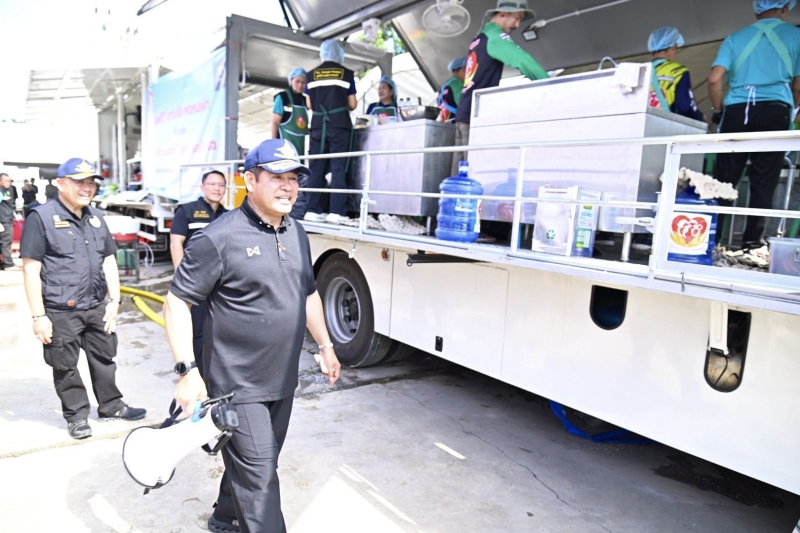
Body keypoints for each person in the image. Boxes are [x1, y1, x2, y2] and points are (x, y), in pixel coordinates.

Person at [164, 138, 341, 533]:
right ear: (250, 179)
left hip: (281, 379)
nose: (288, 187)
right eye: (277, 177)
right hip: (236, 383)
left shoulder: (297, 232)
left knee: (261, 461)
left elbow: (308, 293)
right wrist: (187, 372)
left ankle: (225, 517)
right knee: (260, 480)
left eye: (293, 178)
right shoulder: (218, 237)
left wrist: (326, 346)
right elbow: (175, 303)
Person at [19, 158, 145, 440]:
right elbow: (31, 269)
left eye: (91, 183)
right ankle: (76, 415)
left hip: (96, 305)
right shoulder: (41, 218)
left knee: (105, 358)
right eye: (79, 182)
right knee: (65, 365)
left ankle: (111, 405)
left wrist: (114, 301)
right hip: (60, 309)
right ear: (61, 183)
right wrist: (39, 317)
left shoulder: (96, 217)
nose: (87, 188)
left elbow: (108, 260)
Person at [709, 0, 800, 250]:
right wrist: (792, 108)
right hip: (775, 111)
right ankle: (751, 243)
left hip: (737, 112)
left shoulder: (734, 38)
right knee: (764, 180)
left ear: (756, 9)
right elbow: (799, 85)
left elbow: (715, 80)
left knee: (724, 180)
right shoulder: (796, 36)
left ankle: (711, 239)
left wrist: (718, 111)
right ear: (785, 8)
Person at [452, 0, 550, 175]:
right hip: (474, 117)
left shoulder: (479, 38)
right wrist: (553, 85)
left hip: (463, 114)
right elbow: (522, 59)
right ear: (503, 12)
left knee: (458, 175)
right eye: (517, 18)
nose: (517, 25)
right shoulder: (496, 37)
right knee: (474, 174)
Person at [170, 170, 228, 374]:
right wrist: (182, 278)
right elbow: (176, 243)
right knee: (196, 329)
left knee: (218, 329)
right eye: (212, 184)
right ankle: (195, 372)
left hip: (220, 284)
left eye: (221, 185)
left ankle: (214, 370)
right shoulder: (187, 210)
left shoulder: (227, 215)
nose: (217, 188)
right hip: (195, 283)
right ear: (203, 187)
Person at [303, 39, 358, 224]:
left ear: (323, 53)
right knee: (338, 167)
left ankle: (312, 210)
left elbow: (309, 104)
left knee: (316, 167)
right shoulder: (346, 74)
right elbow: (352, 104)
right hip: (339, 125)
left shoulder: (311, 75)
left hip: (318, 125)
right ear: (340, 54)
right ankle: (336, 212)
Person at [271, 67, 311, 219]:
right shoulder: (282, 97)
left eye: (303, 83)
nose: (300, 85)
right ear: (291, 81)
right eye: (297, 81)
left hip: (300, 152)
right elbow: (275, 122)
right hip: (284, 151)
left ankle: (296, 217)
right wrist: (274, 146)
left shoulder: (305, 100)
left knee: (298, 188)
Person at [647, 27, 706, 122]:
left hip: (645, 127)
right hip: (668, 126)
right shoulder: (678, 71)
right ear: (673, 47)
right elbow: (685, 107)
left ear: (651, 51)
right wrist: (700, 116)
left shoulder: (639, 72)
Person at [437, 56, 467, 123]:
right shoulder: (457, 84)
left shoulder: (445, 86)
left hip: (445, 123)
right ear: (464, 69)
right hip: (457, 124)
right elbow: (464, 105)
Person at [0, 173, 16, 270]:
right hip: (3, 220)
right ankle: (8, 263)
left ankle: (2, 263)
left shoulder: (8, 191)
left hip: (7, 219)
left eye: (9, 181)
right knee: (6, 242)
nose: (8, 183)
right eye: (6, 181)